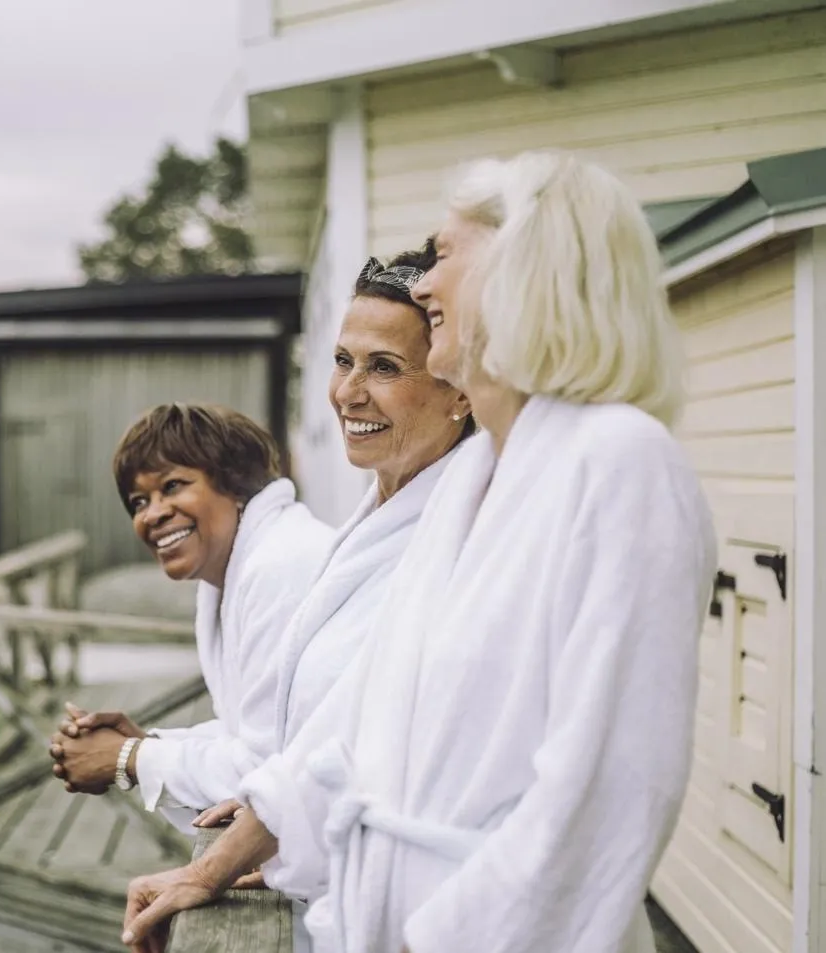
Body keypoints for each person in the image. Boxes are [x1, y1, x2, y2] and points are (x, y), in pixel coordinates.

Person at [119, 150, 717, 953]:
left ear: (526, 273)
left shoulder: (620, 465)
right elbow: (358, 727)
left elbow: (604, 798)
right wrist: (211, 867)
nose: (425, 283)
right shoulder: (474, 475)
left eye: (446, 256)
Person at [52, 242, 473, 872]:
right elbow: (298, 742)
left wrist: (129, 761)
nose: (348, 393)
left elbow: (289, 759)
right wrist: (152, 744)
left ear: (463, 388)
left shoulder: (447, 538)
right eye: (340, 361)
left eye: (383, 367)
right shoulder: (373, 524)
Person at [45, 402, 332, 819]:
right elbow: (250, 738)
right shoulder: (242, 566)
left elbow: (271, 771)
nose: (153, 513)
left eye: (174, 485)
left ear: (235, 484)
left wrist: (130, 757)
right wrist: (145, 745)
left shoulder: (281, 566)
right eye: (139, 501)